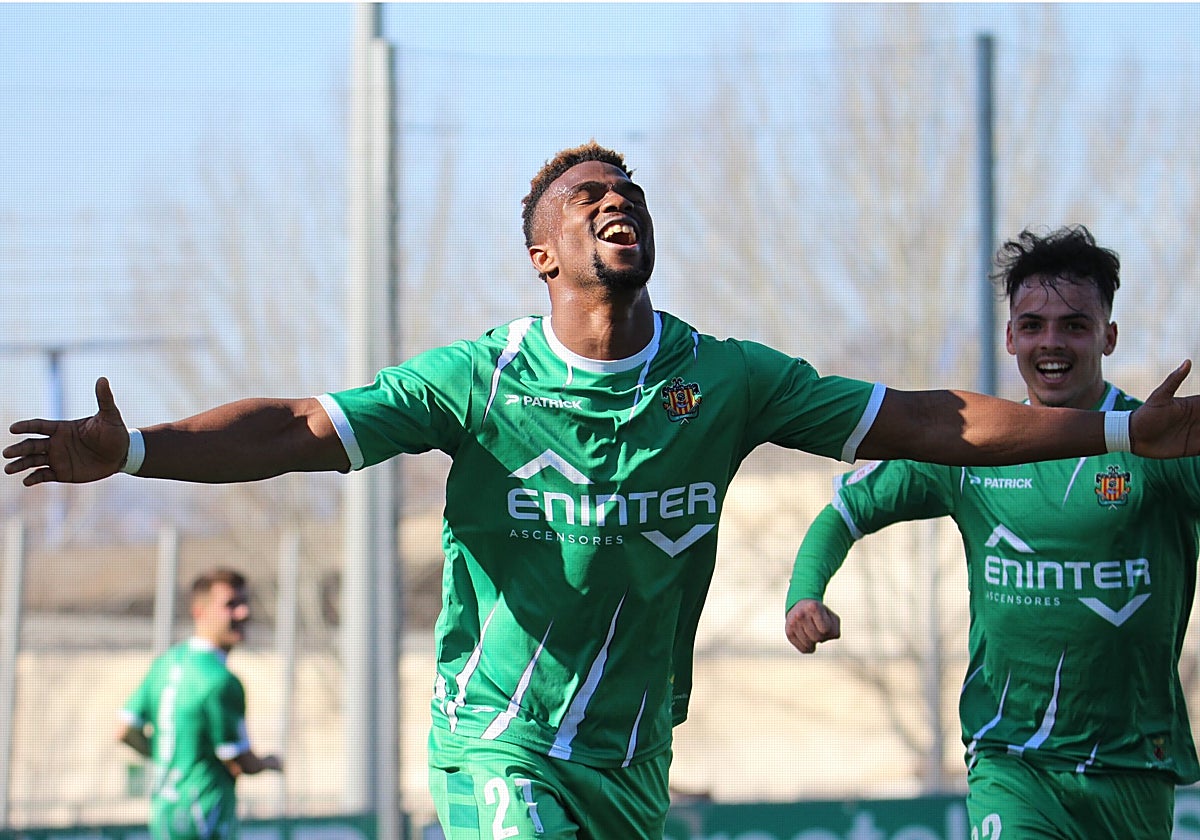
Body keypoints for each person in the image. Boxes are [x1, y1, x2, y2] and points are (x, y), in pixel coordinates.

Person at [6, 145, 1200, 840]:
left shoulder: (727, 379)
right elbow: (307, 426)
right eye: (582, 194)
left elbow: (930, 419)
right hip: (498, 740)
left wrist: (1118, 427)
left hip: (632, 756)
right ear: (542, 252)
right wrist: (142, 452)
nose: (611, 196)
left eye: (625, 186)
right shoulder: (478, 381)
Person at [785, 224, 1200, 839]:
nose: (1050, 342)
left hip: (1133, 763)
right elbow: (845, 512)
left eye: (1074, 325)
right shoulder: (976, 446)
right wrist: (804, 591)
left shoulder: (1160, 444)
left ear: (1108, 337)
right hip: (1012, 760)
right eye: (1032, 325)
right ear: (1010, 337)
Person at [117, 567, 282, 840]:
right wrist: (270, 763)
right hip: (204, 813)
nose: (243, 613)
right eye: (231, 605)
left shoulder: (166, 663)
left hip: (164, 812)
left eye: (244, 603)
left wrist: (168, 756)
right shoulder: (221, 680)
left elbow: (124, 730)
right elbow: (240, 758)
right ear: (199, 611)